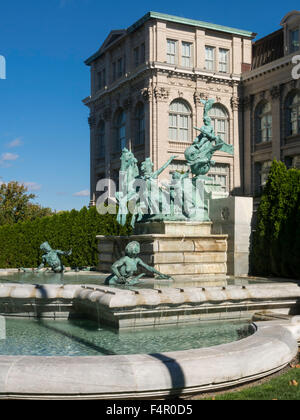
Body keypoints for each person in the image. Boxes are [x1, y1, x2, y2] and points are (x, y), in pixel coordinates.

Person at [105, 241, 172, 286]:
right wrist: (119, 276)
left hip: (125, 281)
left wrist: (161, 274)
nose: (136, 252)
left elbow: (148, 267)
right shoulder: (125, 259)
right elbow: (113, 267)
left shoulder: (137, 260)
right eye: (135, 250)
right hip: (113, 280)